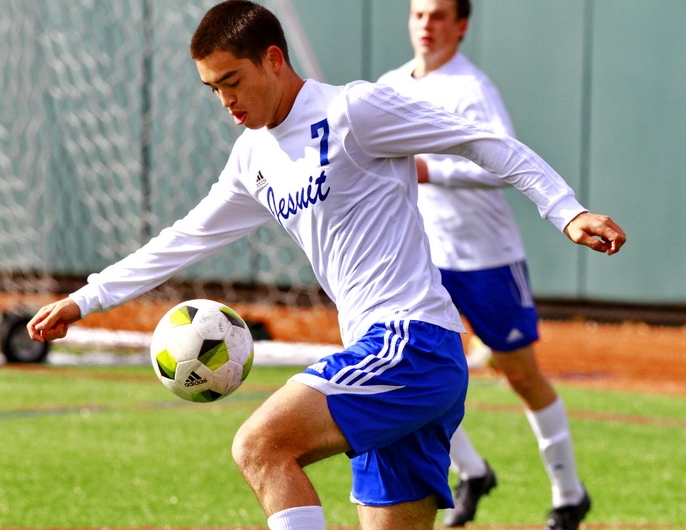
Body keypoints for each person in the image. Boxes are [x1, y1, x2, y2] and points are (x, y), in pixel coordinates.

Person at [27, 1, 626, 529]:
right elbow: (185, 238)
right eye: (213, 89)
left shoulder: (353, 111)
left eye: (233, 81)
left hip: (409, 343)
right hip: (396, 357)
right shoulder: (252, 158)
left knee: (260, 446)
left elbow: (479, 140)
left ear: (273, 59)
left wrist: (565, 210)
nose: (226, 101)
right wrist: (87, 298)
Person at [378, 1, 596, 529]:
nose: (426, 25)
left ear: (461, 26)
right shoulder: (388, 86)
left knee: (521, 375)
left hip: (486, 258)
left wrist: (433, 170)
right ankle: (471, 471)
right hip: (423, 258)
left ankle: (569, 494)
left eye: (438, 15)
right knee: (422, 370)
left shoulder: (470, 87)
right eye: (418, 13)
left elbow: (502, 162)